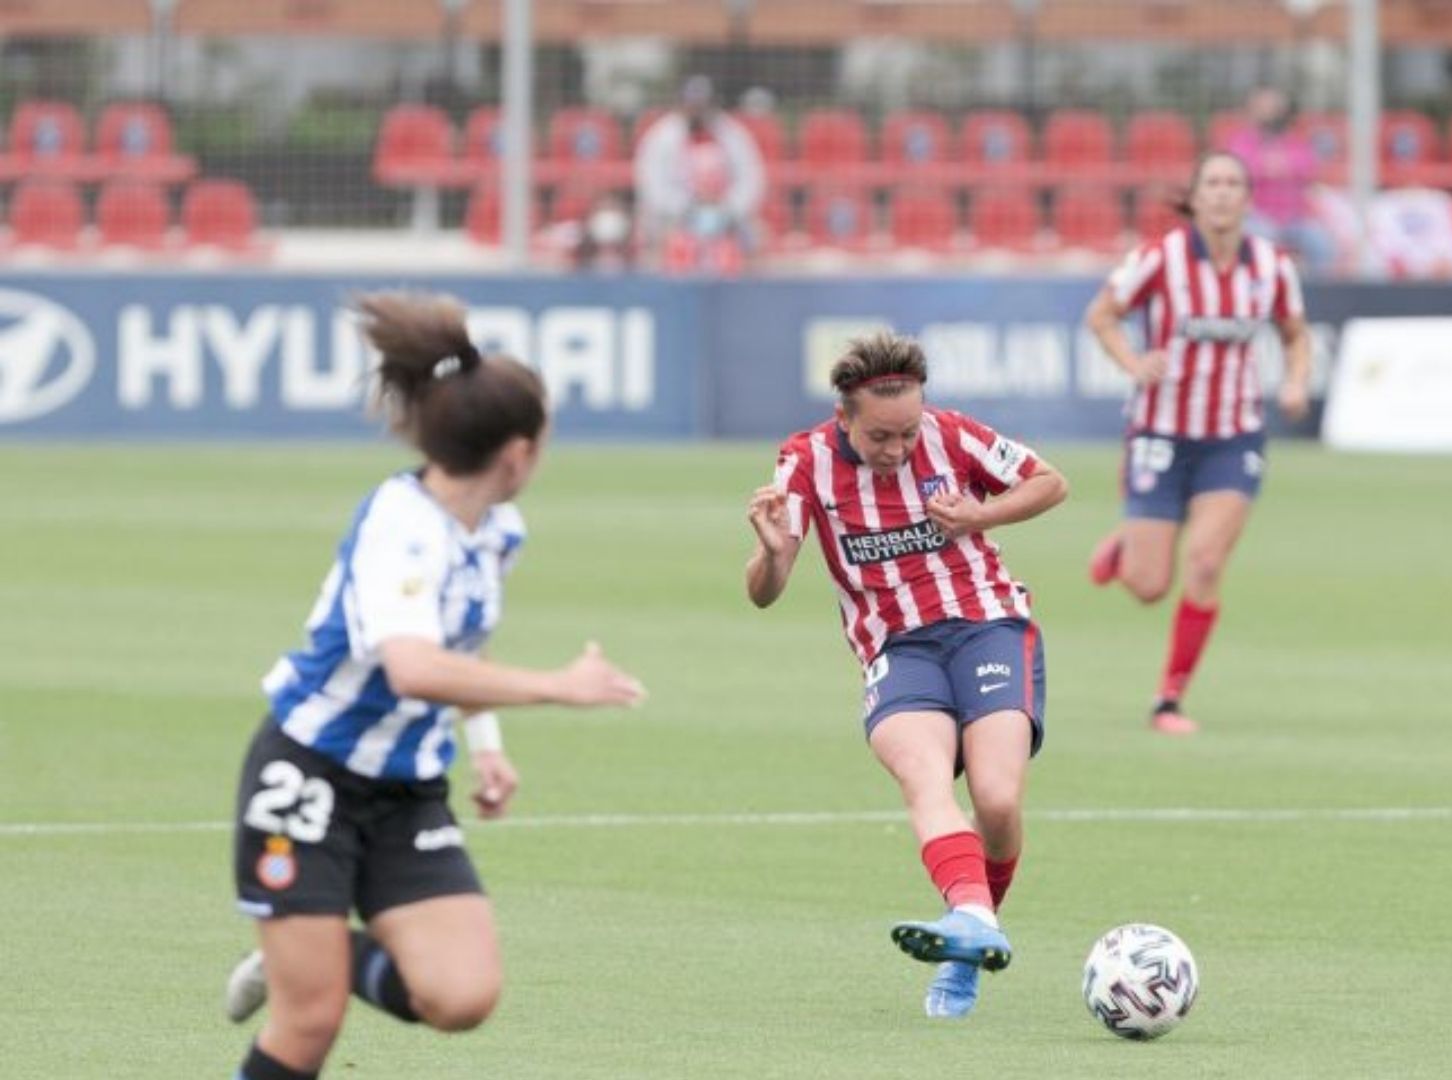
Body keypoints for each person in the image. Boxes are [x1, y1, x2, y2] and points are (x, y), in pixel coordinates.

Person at [221, 292, 646, 1080]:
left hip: (405, 787)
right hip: (308, 774)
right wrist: (558, 686)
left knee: (462, 996)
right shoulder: (399, 525)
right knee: (307, 1023)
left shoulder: (497, 531)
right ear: (517, 454)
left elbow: (458, 651)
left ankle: (316, 954)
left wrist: (485, 742)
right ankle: (302, 967)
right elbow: (411, 666)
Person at [743, 331, 1068, 1020]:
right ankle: (975, 922)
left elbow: (1050, 481)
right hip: (897, 647)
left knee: (998, 802)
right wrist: (770, 554)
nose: (896, 451)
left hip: (989, 626)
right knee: (923, 777)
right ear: (844, 421)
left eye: (907, 434)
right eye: (880, 437)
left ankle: (969, 937)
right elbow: (764, 591)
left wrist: (981, 515)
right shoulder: (802, 463)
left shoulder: (953, 436)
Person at [1083, 151, 1312, 735]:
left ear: (1247, 197)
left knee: (1207, 562)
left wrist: (1294, 381)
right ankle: (1123, 552)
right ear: (1196, 194)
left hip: (1232, 436)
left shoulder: (1271, 266)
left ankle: (1168, 699)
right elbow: (1102, 315)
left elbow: (1294, 332)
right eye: (1212, 182)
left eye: (1234, 183)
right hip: (1160, 432)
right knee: (1149, 586)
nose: (1223, 193)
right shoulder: (1158, 259)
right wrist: (1134, 363)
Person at [636, 74, 766, 273]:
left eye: (702, 104)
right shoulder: (662, 135)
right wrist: (686, 209)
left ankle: (745, 295)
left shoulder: (732, 133)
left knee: (756, 236)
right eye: (692, 104)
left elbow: (751, 178)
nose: (697, 111)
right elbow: (653, 185)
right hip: (676, 215)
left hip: (726, 214)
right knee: (653, 236)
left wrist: (728, 210)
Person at [1223, 87, 1338, 274]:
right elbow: (1241, 168)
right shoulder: (1241, 140)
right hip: (1256, 216)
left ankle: (1318, 298)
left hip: (1295, 218)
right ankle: (1262, 292)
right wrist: (1274, 166)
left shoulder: (1294, 140)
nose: (1269, 112)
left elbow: (1308, 167)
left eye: (1274, 107)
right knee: (1262, 237)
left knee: (1321, 242)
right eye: (1263, 107)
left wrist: (1275, 166)